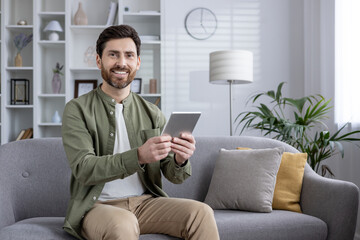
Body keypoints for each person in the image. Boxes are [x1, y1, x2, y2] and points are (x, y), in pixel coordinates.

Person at [61, 24, 220, 240]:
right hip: (98, 206)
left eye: (129, 55)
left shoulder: (152, 112)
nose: (121, 62)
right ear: (99, 60)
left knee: (201, 213)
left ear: (138, 62)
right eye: (113, 55)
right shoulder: (77, 109)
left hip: (145, 203)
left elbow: (174, 175)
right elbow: (84, 169)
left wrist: (181, 160)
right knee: (122, 224)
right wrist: (138, 156)